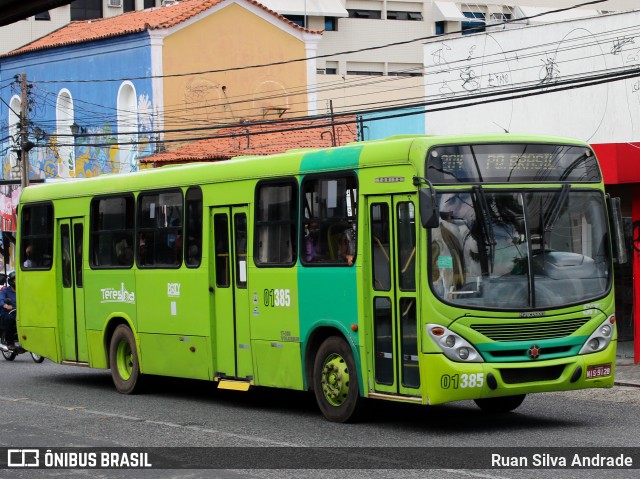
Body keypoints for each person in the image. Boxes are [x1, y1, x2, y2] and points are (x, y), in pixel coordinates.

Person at [0, 272, 17, 349]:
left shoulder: (23, 290)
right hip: (8, 312)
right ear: (11, 281)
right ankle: (10, 343)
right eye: (15, 280)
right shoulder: (5, 291)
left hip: (20, 312)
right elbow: (1, 299)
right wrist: (5, 305)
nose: (17, 281)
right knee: (9, 319)